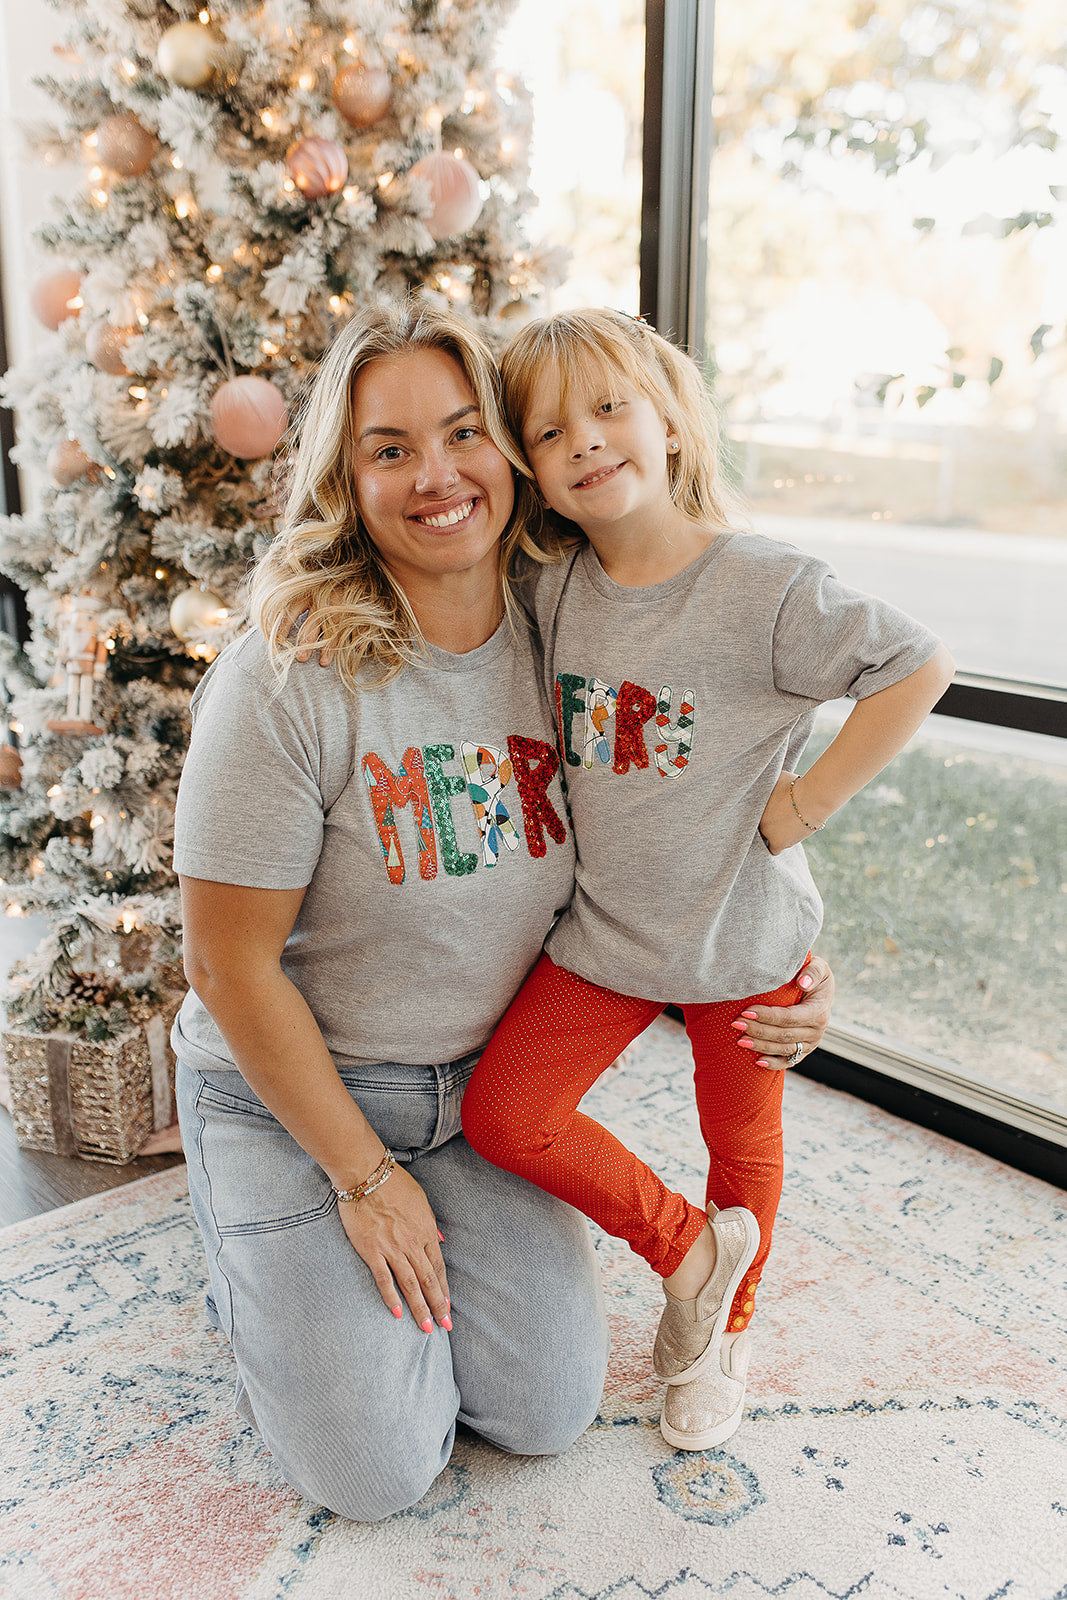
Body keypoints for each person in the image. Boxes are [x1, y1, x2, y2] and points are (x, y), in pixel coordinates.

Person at [171, 301, 836, 1523]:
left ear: (515, 457)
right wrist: (362, 1179)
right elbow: (225, 968)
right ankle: (244, 1258)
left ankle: (341, 1297)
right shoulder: (289, 672)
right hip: (301, 1100)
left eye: (466, 432)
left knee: (542, 1411)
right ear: (346, 476)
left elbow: (697, 792)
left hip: (484, 1098)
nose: (435, 476)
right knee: (377, 1469)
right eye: (389, 449)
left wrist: (784, 942)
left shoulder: (572, 624)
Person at [461, 307, 956, 1454]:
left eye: (608, 409)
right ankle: (692, 1251)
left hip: (742, 942)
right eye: (548, 432)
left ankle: (721, 1330)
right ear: (532, 469)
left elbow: (916, 664)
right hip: (608, 937)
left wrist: (804, 804)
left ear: (670, 420)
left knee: (743, 1152)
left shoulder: (764, 586)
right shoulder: (553, 586)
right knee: (506, 1114)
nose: (583, 442)